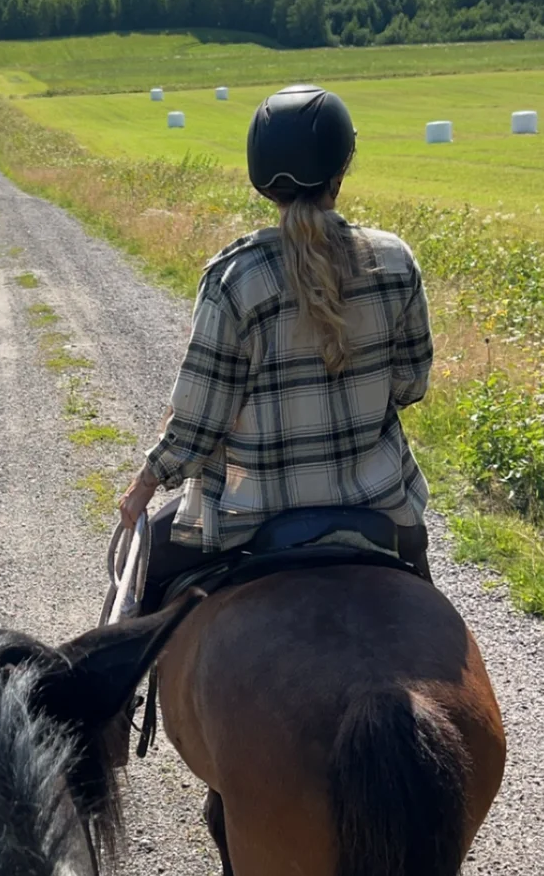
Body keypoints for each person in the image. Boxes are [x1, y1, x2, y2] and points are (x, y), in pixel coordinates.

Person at [118, 83, 434, 612]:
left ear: (263, 182)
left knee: (138, 592)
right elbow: (410, 385)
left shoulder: (235, 278)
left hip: (249, 520)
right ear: (341, 169)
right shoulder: (395, 261)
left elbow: (198, 426)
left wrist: (145, 484)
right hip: (379, 507)